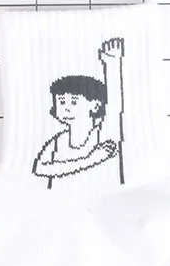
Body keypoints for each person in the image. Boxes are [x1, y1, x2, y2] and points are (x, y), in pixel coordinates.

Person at [33, 37, 125, 185]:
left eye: (74, 102)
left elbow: (114, 105)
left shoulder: (103, 134)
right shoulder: (58, 142)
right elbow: (39, 168)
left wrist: (113, 64)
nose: (66, 107)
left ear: (95, 105)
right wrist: (90, 160)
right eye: (61, 102)